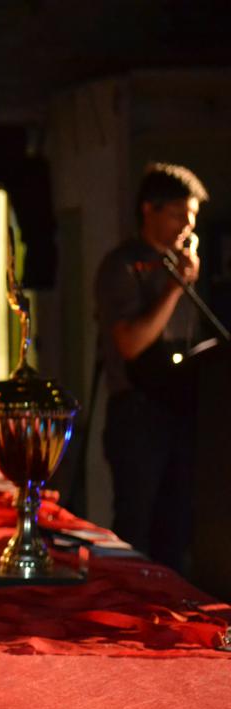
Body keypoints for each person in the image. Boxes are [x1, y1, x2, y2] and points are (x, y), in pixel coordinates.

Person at [94, 163, 209, 573]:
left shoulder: (182, 264)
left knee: (177, 530)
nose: (187, 226)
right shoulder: (123, 265)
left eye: (192, 217)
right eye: (178, 214)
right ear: (149, 209)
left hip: (182, 411)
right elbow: (130, 343)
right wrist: (174, 289)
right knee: (136, 526)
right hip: (138, 413)